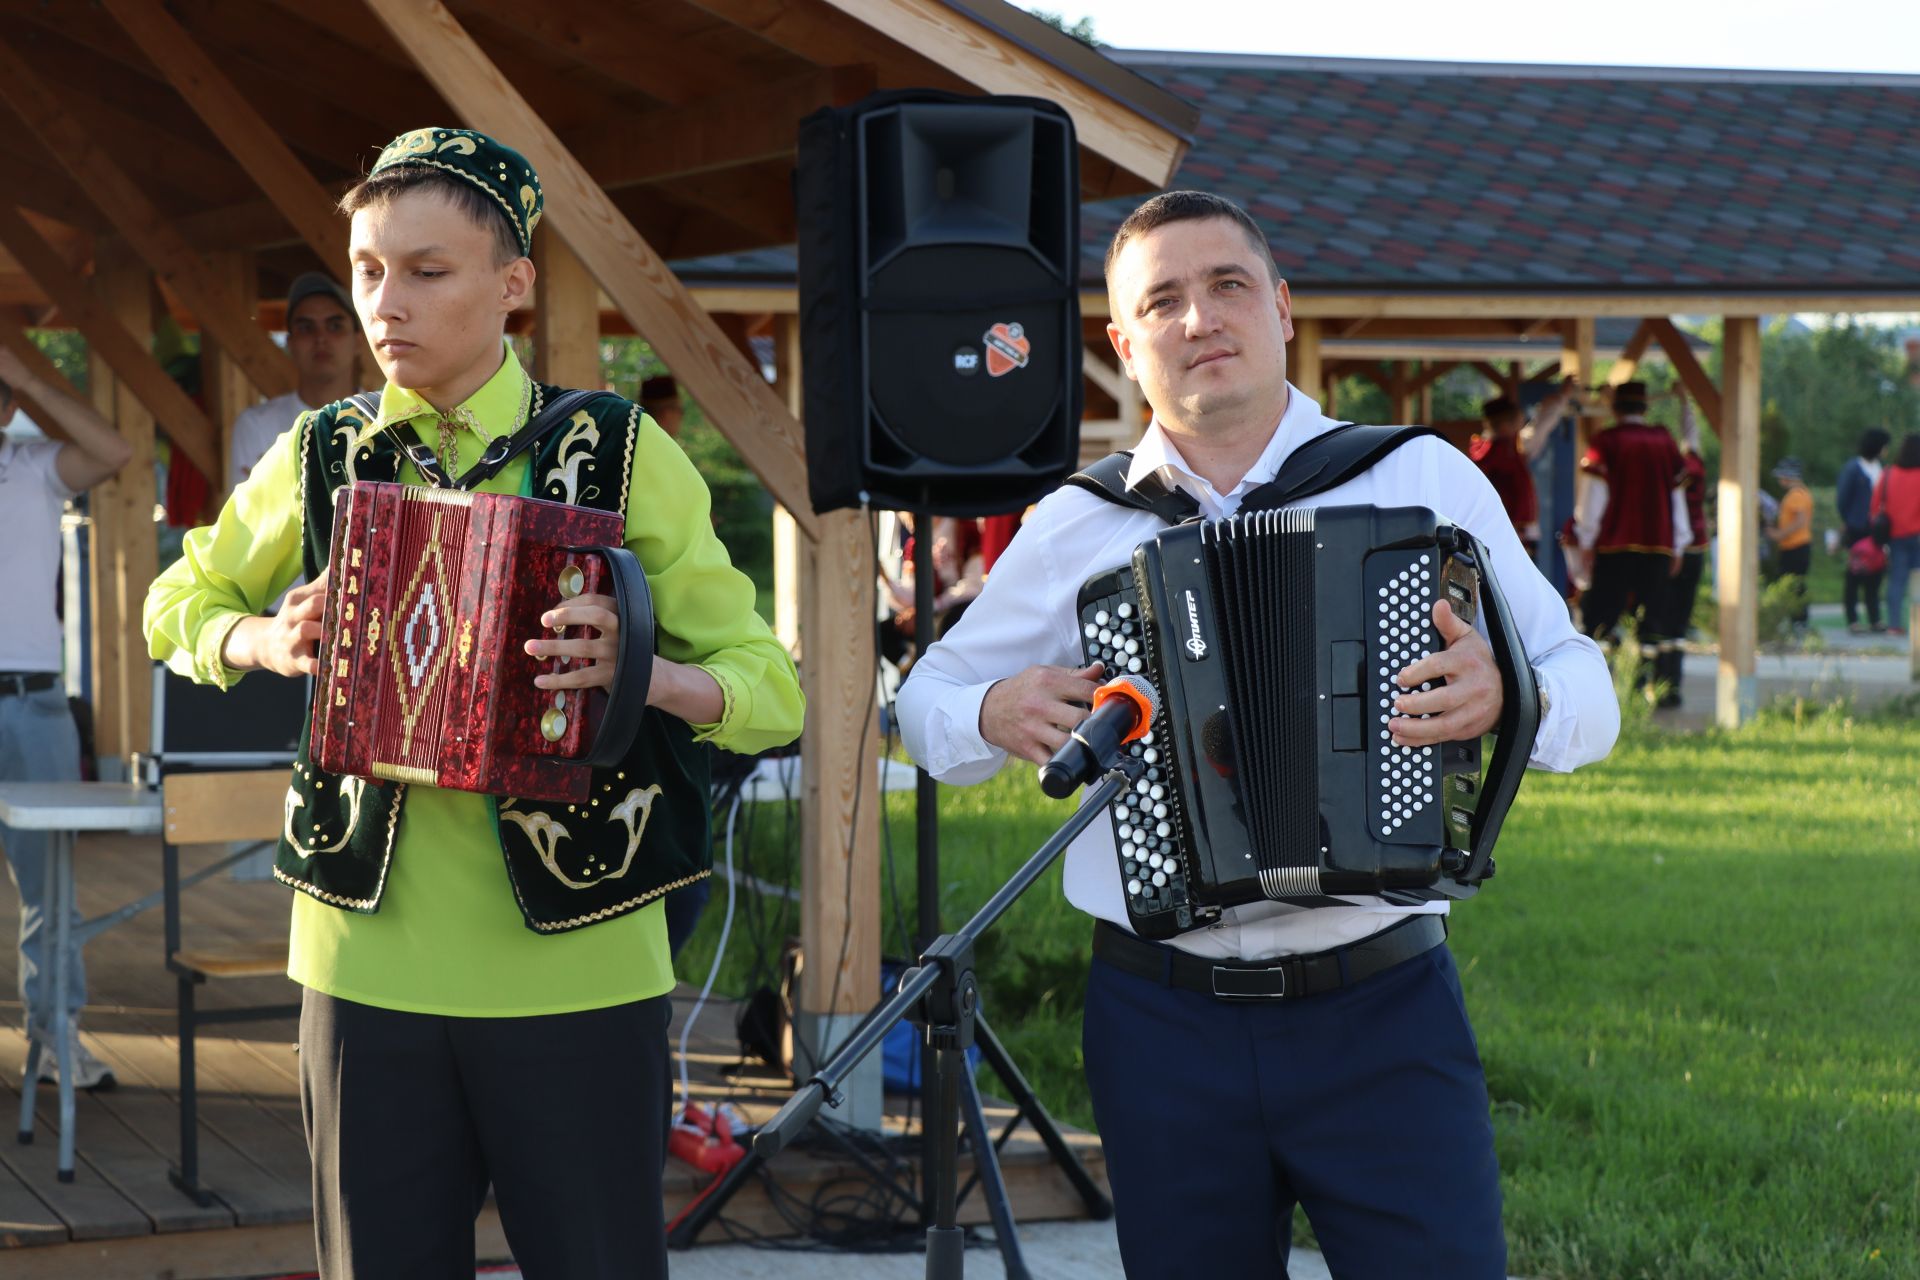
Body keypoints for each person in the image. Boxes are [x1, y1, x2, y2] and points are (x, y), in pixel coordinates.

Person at [896, 190, 1618, 1279]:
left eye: (1228, 285)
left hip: (1381, 1006)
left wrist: (1511, 691)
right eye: (1165, 300)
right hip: (1160, 1018)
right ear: (1123, 341)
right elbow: (922, 700)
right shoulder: (1076, 523)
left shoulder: (1416, 477)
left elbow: (1588, 685)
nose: (1201, 319)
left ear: (1281, 307)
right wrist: (987, 710)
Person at [144, 128, 803, 1279]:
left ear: (514, 286)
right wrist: (259, 634)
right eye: (365, 269)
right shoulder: (322, 452)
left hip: (582, 960)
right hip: (362, 960)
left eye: (425, 269)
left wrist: (647, 671)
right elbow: (173, 600)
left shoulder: (614, 448)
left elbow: (772, 686)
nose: (382, 303)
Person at [0, 346, 133, 1091]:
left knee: (50, 890)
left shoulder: (35, 466)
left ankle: (55, 1039)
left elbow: (114, 450)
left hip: (36, 701)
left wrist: (23, 376)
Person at [1570, 381, 1692, 686]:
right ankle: (1646, 684)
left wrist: (1586, 541)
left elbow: (1593, 499)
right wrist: (1678, 543)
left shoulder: (1607, 442)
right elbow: (1677, 499)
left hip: (1614, 547)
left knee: (1602, 616)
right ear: (1645, 407)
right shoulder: (1664, 441)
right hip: (1659, 545)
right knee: (1652, 617)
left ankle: (1599, 684)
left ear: (1615, 408)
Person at [229, 273, 366, 486]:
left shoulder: (384, 421)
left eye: (334, 326)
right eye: (306, 328)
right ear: (290, 344)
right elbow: (246, 518)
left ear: (358, 341)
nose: (321, 338)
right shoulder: (256, 426)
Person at [1467, 377, 1577, 557]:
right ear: (1505, 425)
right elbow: (1540, 427)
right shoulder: (1507, 449)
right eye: (1518, 421)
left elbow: (1538, 427)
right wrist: (1561, 398)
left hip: (1497, 533)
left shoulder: (1485, 450)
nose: (1521, 424)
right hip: (1511, 535)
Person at [1649, 395, 1711, 705]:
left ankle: (1654, 686)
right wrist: (1685, 403)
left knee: (1657, 620)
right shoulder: (1694, 466)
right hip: (1695, 549)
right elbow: (1693, 435)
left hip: (1666, 549)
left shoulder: (1661, 472)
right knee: (1678, 622)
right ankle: (1672, 688)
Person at [1836, 428, 1891, 633]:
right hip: (1857, 529)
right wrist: (1849, 521)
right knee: (1855, 575)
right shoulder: (1853, 469)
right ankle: (1853, 619)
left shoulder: (1882, 469)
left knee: (1876, 574)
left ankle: (1875, 618)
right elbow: (1842, 500)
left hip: (1877, 531)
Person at [1871, 432, 1920, 637]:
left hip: (1895, 536)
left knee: (1896, 581)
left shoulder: (1889, 473)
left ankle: (1894, 625)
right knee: (1917, 582)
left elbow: (1874, 507)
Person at [1766, 457, 1813, 629]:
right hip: (1797, 546)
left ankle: (1798, 620)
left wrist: (1779, 534)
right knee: (1795, 584)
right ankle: (1797, 620)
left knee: (1793, 585)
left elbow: (1800, 520)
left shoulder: (1796, 495)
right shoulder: (1802, 493)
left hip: (1795, 546)